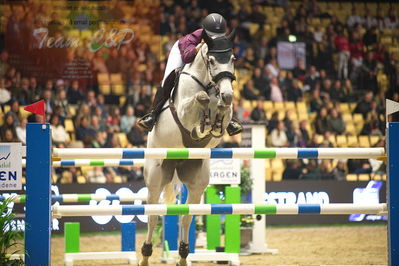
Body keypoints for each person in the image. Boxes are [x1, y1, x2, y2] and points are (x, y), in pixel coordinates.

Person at [138, 13, 242, 136]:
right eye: (212, 36)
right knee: (170, 76)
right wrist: (197, 48)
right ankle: (153, 114)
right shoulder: (192, 38)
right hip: (182, 53)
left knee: (222, 79)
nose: (215, 39)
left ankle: (229, 119)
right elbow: (187, 57)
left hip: (203, 60)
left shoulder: (222, 40)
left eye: (219, 36)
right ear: (205, 33)